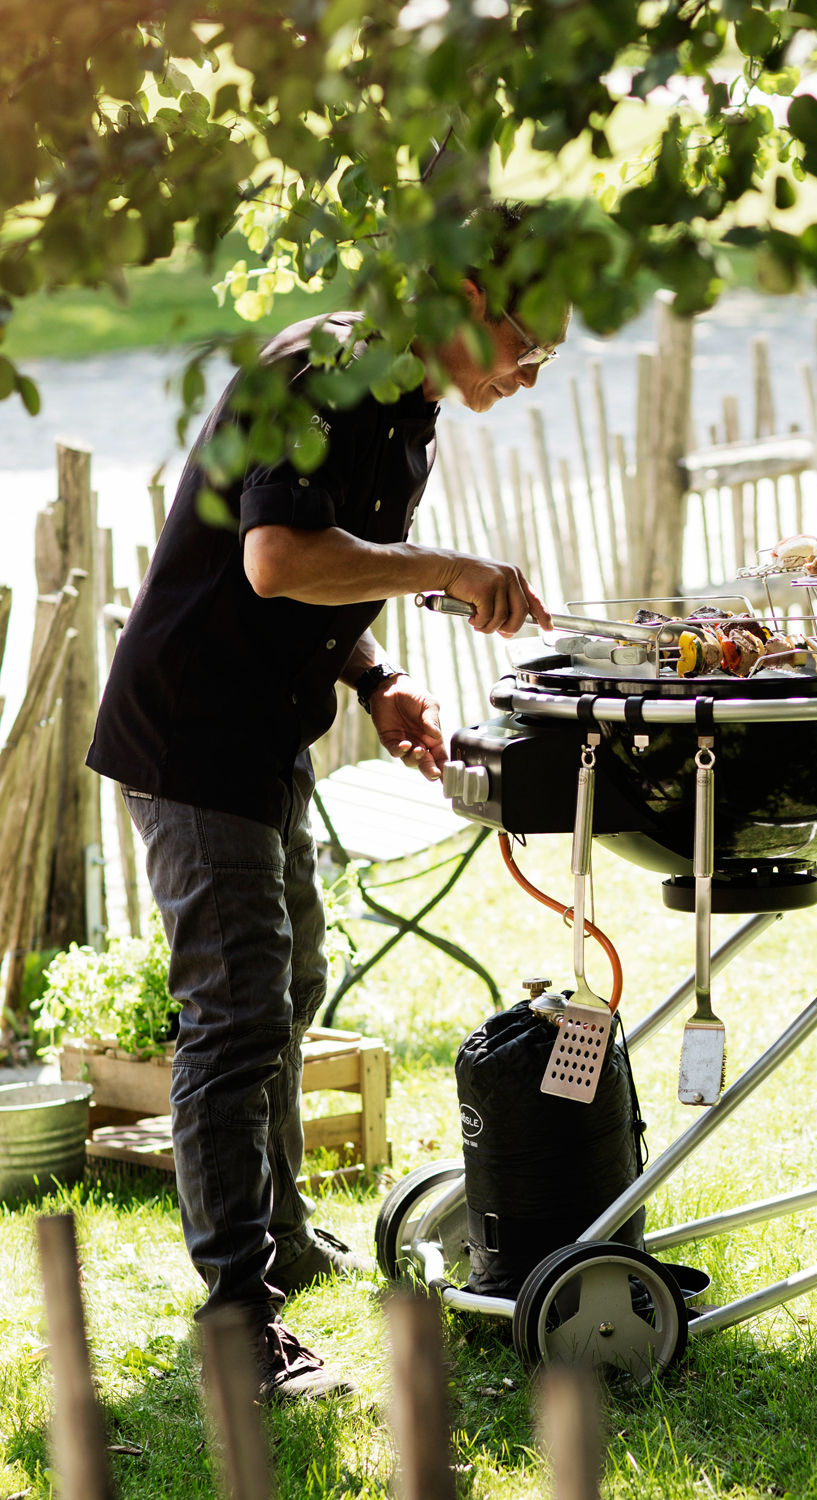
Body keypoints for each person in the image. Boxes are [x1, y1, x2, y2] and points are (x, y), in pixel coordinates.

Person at [87, 203, 559, 1401]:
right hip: (192, 733)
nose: (529, 372)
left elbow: (322, 580)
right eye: (525, 343)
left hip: (261, 731)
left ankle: (283, 1235)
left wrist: (379, 675)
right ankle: (241, 1325)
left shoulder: (413, 411)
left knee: (288, 987)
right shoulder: (318, 370)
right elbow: (276, 559)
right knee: (238, 1015)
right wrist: (452, 570)